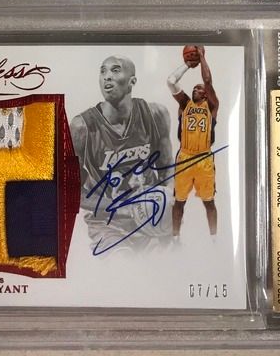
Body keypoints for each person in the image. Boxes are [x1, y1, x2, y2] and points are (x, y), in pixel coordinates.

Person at [71, 55, 173, 254]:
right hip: (108, 223)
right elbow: (72, 194)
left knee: (169, 265)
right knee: (123, 266)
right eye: (103, 71)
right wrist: (123, 207)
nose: (107, 76)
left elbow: (167, 169)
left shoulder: (155, 114)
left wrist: (168, 200)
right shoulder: (82, 127)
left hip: (151, 218)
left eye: (115, 70)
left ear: (132, 81)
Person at [166, 45, 219, 236]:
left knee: (209, 202)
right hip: (185, 157)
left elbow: (208, 81)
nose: (197, 89)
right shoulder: (185, 104)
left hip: (204, 158)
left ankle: (214, 239)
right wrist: (188, 65)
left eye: (200, 88)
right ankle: (175, 237)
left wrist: (202, 57)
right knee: (179, 202)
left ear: (206, 94)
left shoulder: (212, 106)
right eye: (194, 88)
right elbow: (171, 81)